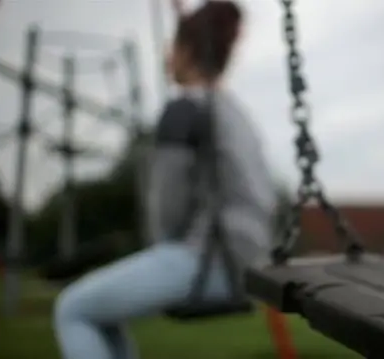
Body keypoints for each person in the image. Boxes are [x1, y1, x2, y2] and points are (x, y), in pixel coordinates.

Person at [53, 2, 276, 359]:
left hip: (208, 261)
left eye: (172, 46)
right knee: (104, 316)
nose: (166, 55)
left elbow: (166, 206)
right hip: (249, 262)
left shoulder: (183, 110)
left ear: (187, 51)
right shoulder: (234, 112)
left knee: (73, 309)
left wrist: (162, 246)